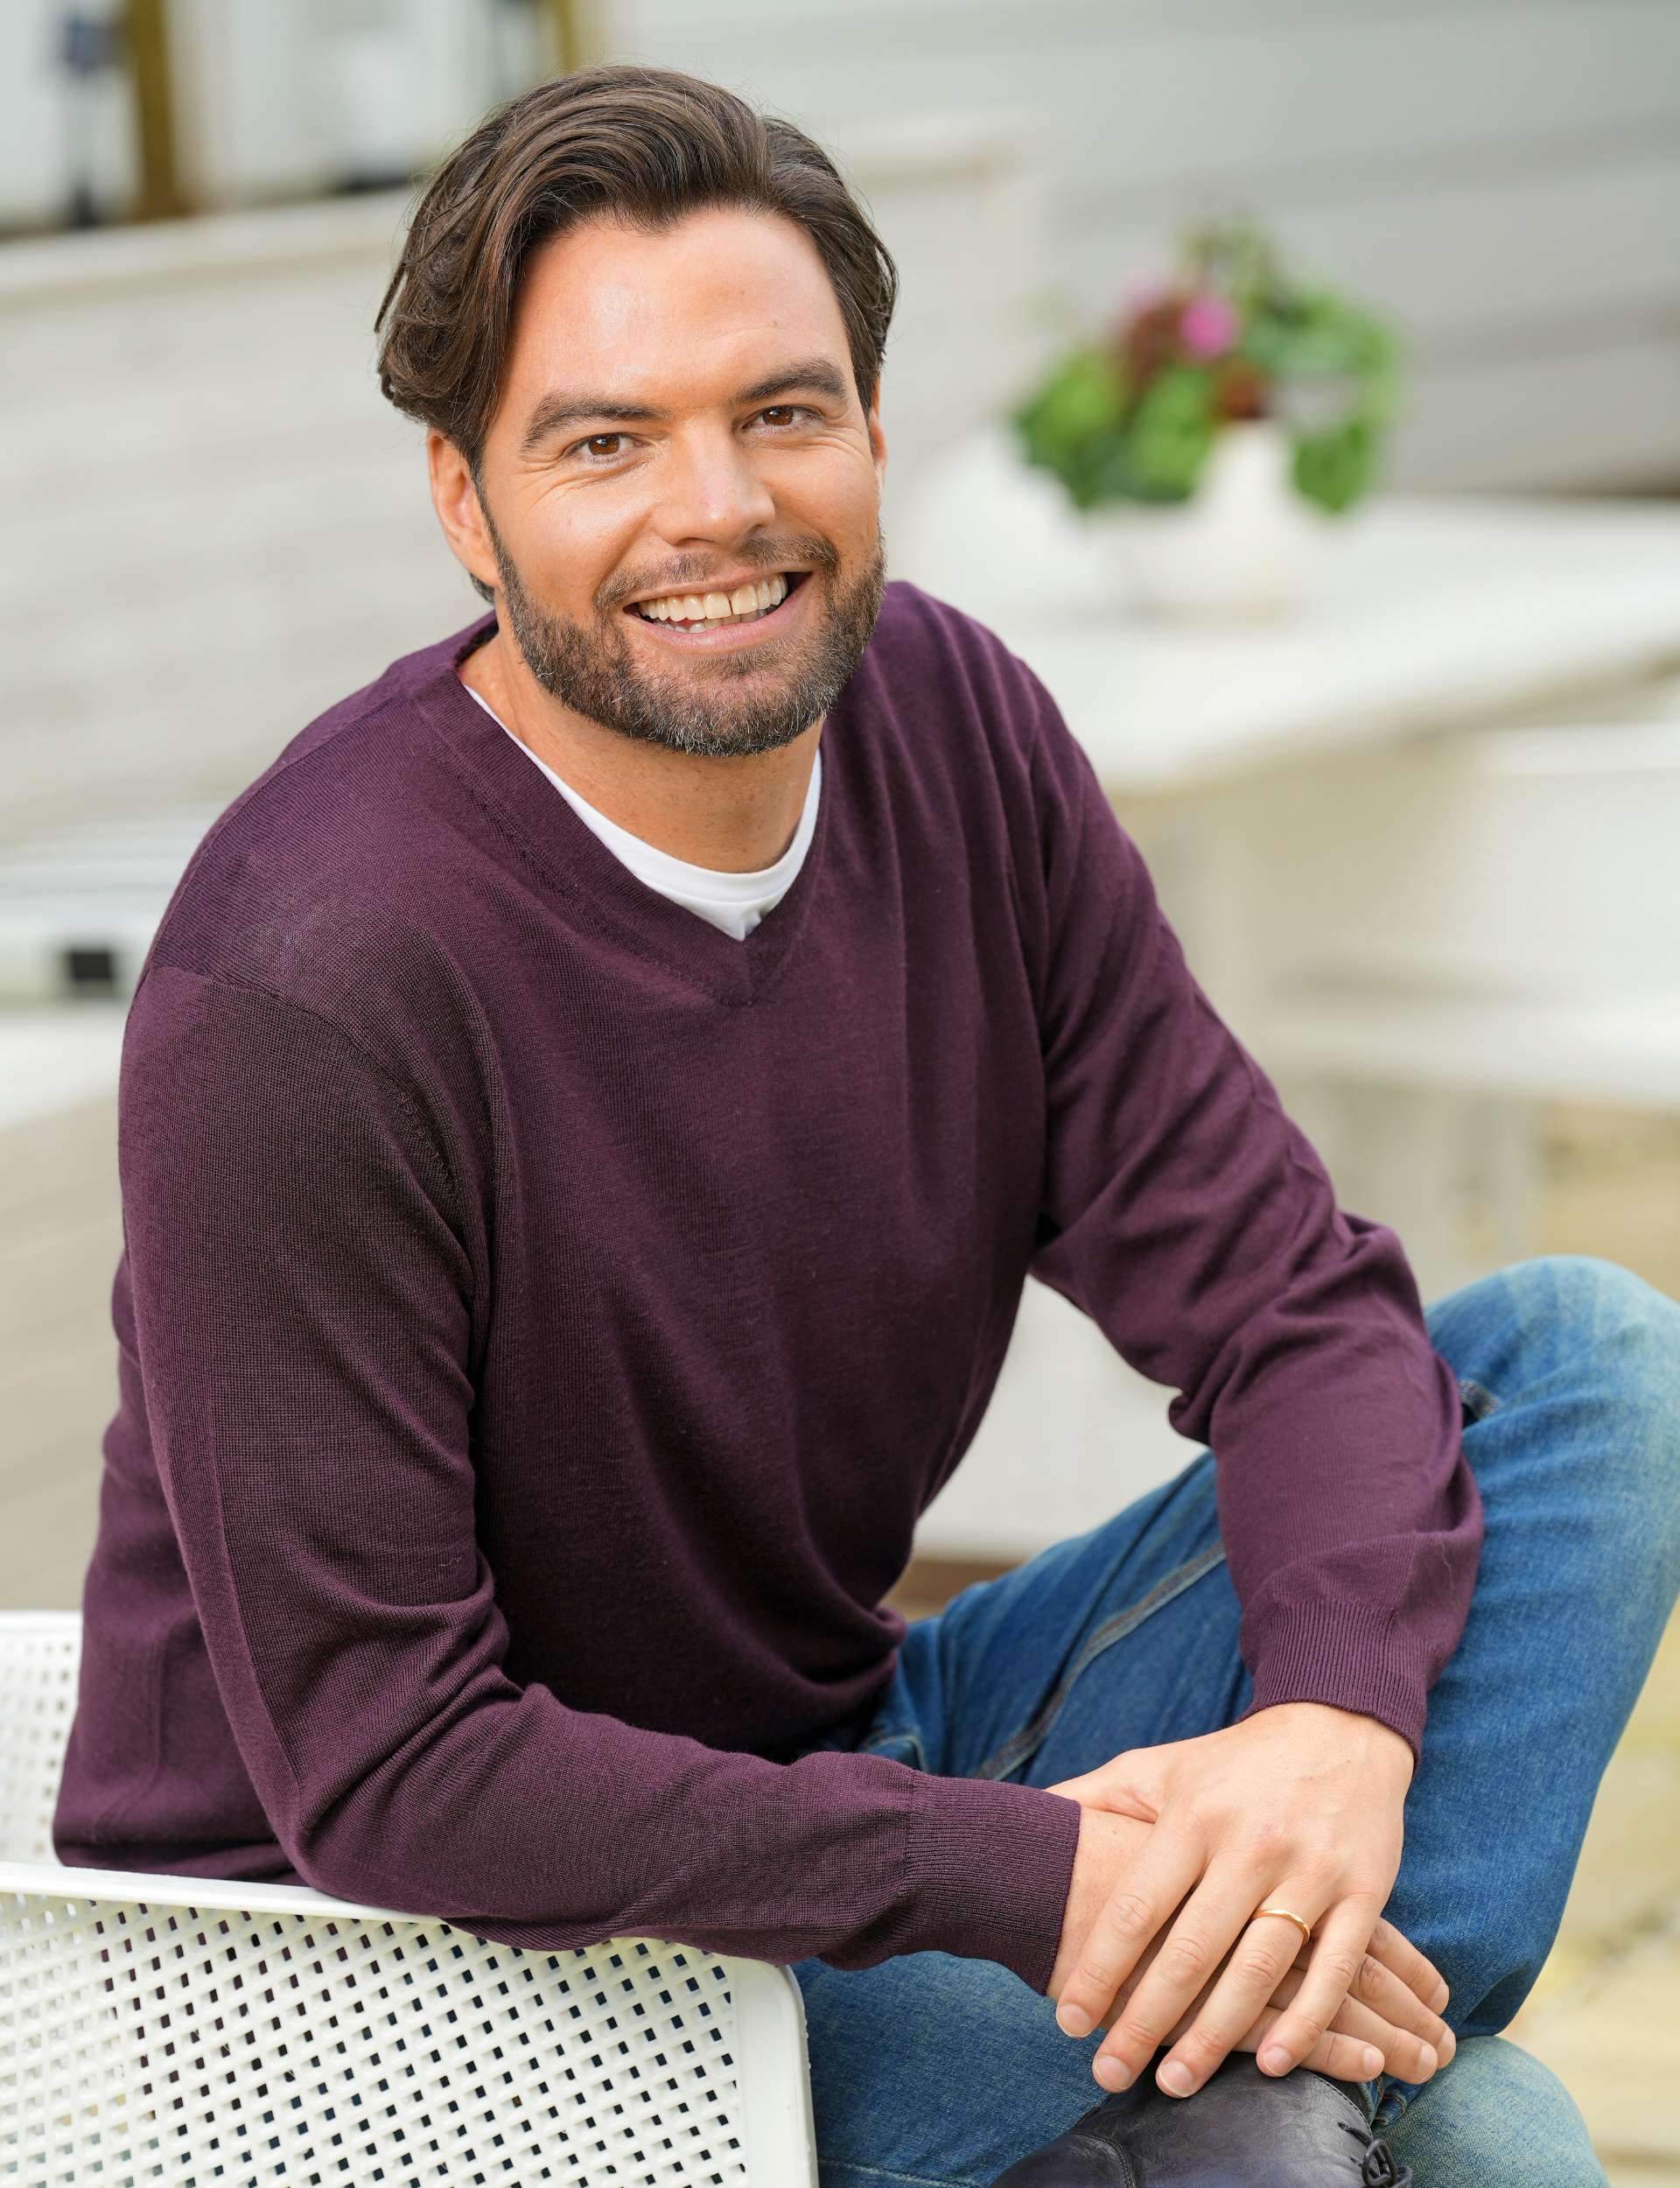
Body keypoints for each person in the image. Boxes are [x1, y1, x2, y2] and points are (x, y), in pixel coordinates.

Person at [52, 60, 1677, 2188]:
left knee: (1578, 1370)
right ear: (464, 502)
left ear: (878, 439)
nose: (715, 504)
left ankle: (1263, 2040)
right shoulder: (307, 986)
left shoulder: (955, 732)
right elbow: (396, 1770)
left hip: (839, 1766)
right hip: (418, 1982)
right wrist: (1034, 1877)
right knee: (1477, 2133)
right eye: (605, 441)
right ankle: (1288, 2075)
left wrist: (1332, 1739)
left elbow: (1290, 1303)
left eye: (782, 412)